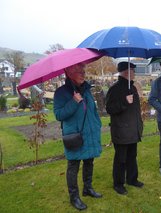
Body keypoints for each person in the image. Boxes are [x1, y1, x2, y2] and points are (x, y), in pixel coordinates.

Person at [54, 63, 102, 211]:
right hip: (74, 135)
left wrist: (97, 124)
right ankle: (74, 197)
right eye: (78, 71)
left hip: (90, 132)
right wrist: (74, 101)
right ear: (68, 72)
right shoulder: (61, 93)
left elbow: (92, 110)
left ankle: (87, 188)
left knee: (89, 161)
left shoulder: (86, 89)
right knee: (73, 166)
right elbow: (59, 115)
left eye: (83, 70)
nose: (83, 73)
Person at [105, 61, 144, 195]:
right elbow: (109, 109)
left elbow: (135, 110)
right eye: (133, 70)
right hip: (121, 131)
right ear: (126, 72)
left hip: (132, 129)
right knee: (121, 159)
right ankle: (118, 183)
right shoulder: (114, 89)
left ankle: (132, 179)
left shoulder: (132, 88)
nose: (134, 73)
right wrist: (124, 102)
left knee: (132, 156)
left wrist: (139, 124)